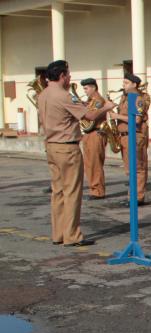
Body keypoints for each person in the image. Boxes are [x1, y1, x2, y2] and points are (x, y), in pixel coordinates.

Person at [37, 59, 115, 247]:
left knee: (58, 192)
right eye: (68, 74)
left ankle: (59, 234)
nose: (69, 77)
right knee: (72, 192)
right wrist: (106, 107)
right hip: (67, 147)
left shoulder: (43, 94)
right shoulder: (65, 95)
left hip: (51, 145)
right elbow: (88, 116)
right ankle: (72, 235)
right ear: (62, 76)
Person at [111, 73, 151, 205]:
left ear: (134, 84)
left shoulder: (137, 99)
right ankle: (132, 195)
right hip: (124, 136)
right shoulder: (125, 97)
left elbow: (137, 119)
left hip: (134, 135)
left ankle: (138, 197)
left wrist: (117, 116)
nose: (123, 85)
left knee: (137, 167)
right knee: (129, 169)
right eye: (123, 83)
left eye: (126, 83)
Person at [79, 78, 108, 199]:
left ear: (93, 88)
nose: (85, 91)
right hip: (88, 133)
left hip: (96, 133)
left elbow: (91, 116)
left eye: (86, 88)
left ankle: (98, 191)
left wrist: (81, 108)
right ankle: (94, 189)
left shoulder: (98, 101)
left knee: (95, 163)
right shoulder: (90, 101)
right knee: (89, 163)